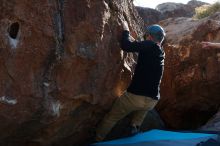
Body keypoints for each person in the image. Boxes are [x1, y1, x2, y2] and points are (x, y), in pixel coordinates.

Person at [95, 21, 166, 142]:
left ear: (149, 37)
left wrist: (126, 30)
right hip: (152, 100)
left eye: (146, 36)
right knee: (136, 122)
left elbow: (126, 46)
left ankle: (97, 140)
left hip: (135, 96)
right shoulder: (160, 52)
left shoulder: (148, 45)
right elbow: (140, 46)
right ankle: (134, 131)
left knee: (111, 118)